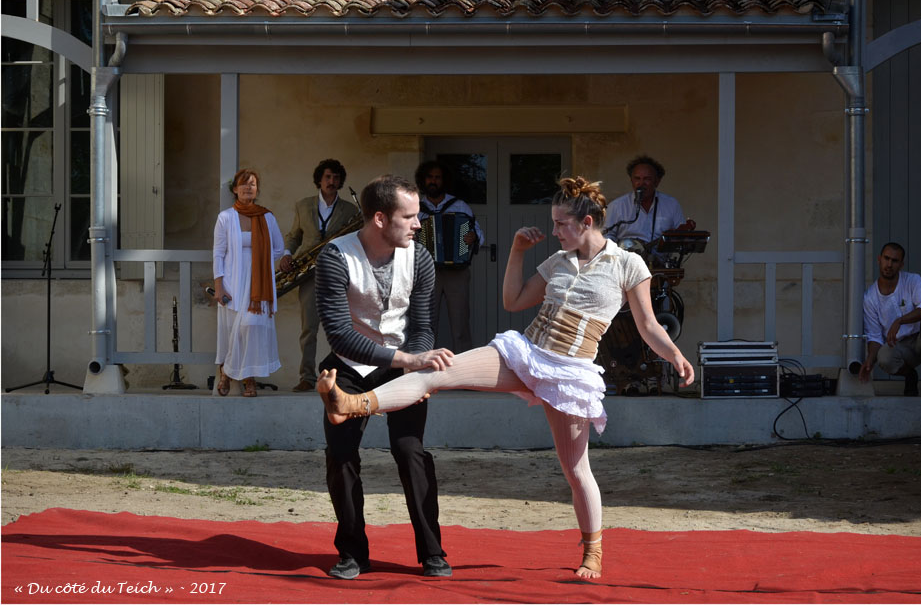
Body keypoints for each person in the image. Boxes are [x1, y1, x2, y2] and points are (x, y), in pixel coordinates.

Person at [317, 176, 696, 580]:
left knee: (576, 469)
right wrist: (516, 251)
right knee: (435, 372)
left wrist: (674, 354)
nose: (554, 231)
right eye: (553, 223)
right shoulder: (558, 261)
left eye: (561, 224)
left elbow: (647, 325)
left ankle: (592, 550)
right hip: (524, 354)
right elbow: (513, 301)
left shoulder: (627, 264)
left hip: (569, 373)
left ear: (586, 222)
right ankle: (353, 404)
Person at [314, 174, 456, 580]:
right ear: (380, 218)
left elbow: (423, 325)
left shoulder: (420, 258)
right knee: (341, 454)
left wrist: (419, 365)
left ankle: (432, 552)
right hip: (348, 366)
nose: (418, 224)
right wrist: (408, 359)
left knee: (411, 451)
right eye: (409, 217)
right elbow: (340, 334)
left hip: (403, 364)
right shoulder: (334, 257)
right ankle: (352, 553)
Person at [279, 159, 359, 392]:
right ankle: (307, 376)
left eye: (336, 177)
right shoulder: (303, 205)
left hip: (338, 273)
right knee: (308, 328)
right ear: (319, 180)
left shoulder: (351, 211)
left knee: (340, 327)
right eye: (327, 177)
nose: (331, 181)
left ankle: (340, 377)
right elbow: (294, 236)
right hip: (308, 274)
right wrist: (287, 254)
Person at [212, 169, 285, 397]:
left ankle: (233, 372)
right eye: (243, 184)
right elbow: (218, 253)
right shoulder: (225, 217)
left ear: (257, 189)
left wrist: (261, 262)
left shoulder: (267, 217)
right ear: (235, 189)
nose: (248, 188)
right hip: (232, 282)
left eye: (252, 184)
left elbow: (279, 248)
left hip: (258, 284)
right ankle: (241, 376)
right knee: (234, 329)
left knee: (250, 327)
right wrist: (219, 285)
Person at [859, 242, 921, 398]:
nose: (889, 264)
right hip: (900, 348)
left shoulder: (912, 280)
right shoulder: (870, 297)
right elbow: (875, 337)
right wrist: (869, 361)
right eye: (886, 258)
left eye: (894, 260)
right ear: (879, 259)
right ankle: (910, 375)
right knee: (883, 356)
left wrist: (900, 321)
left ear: (901, 264)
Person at [415, 160, 484, 353]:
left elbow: (478, 232)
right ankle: (424, 366)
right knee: (426, 324)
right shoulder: (416, 208)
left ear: (444, 180)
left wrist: (473, 237)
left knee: (460, 325)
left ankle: (464, 369)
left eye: (437, 177)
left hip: (457, 272)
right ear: (423, 180)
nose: (433, 181)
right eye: (430, 177)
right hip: (426, 273)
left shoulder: (460, 206)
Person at [603, 155, 695, 248]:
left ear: (657, 182)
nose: (641, 183)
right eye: (637, 178)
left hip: (659, 257)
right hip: (624, 256)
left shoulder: (671, 204)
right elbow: (606, 236)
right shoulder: (616, 206)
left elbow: (682, 239)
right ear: (631, 181)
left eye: (647, 179)